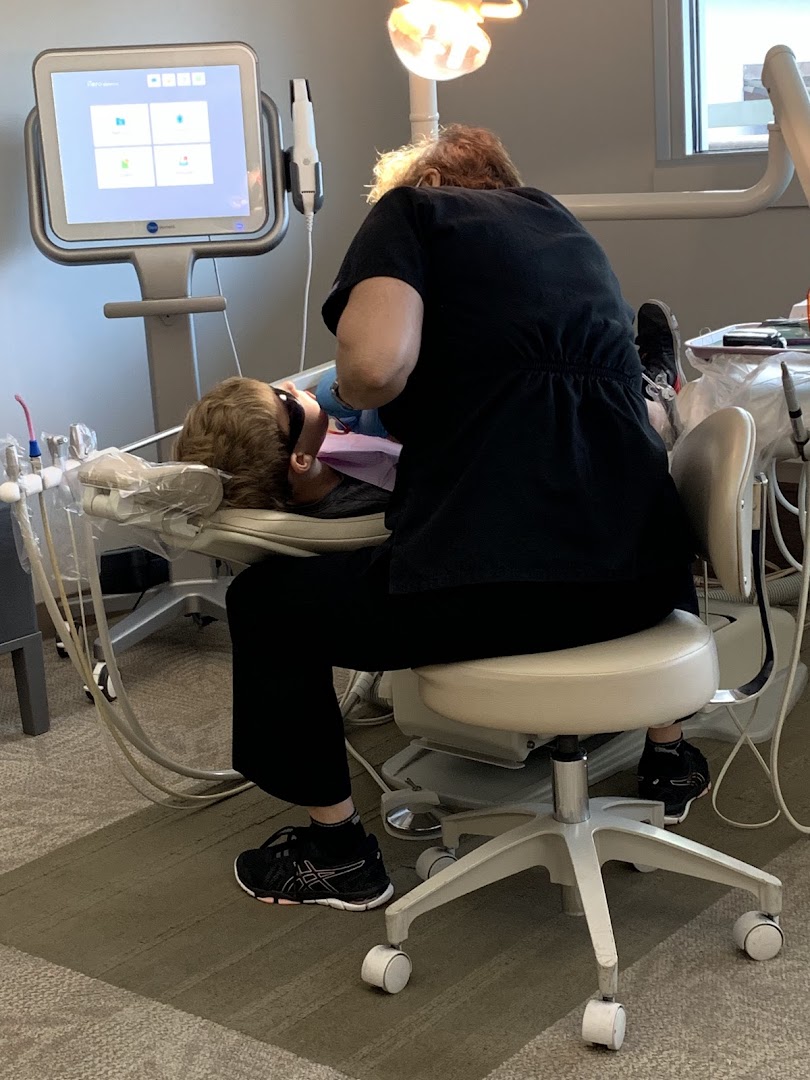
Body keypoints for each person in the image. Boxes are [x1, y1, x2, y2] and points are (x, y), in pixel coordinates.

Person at [225, 124, 710, 912]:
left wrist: (348, 389)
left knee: (267, 603)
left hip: (507, 583)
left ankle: (336, 854)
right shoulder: (561, 226)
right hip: (645, 579)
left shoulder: (412, 215)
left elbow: (376, 366)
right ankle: (670, 757)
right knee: (610, 474)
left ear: (420, 188)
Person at [174, 375, 392, 518]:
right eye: (287, 400)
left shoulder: (308, 455)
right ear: (300, 460)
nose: (289, 385)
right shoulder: (370, 506)